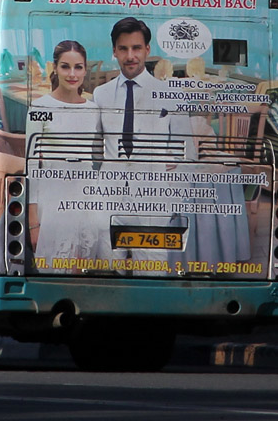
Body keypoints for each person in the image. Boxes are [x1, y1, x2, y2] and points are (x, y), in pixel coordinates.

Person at [22, 40, 102, 269]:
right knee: (55, 264)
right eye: (66, 66)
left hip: (86, 194)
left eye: (78, 67)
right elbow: (31, 164)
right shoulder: (40, 108)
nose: (72, 74)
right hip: (53, 194)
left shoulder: (93, 109)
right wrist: (33, 219)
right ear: (55, 68)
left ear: (85, 69)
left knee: (83, 263)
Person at [92, 16, 189, 159]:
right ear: (114, 51)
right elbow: (95, 149)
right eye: (123, 49)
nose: (130, 56)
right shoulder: (100, 94)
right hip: (112, 180)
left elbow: (187, 155)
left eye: (136, 48)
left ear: (147, 49)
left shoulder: (172, 95)